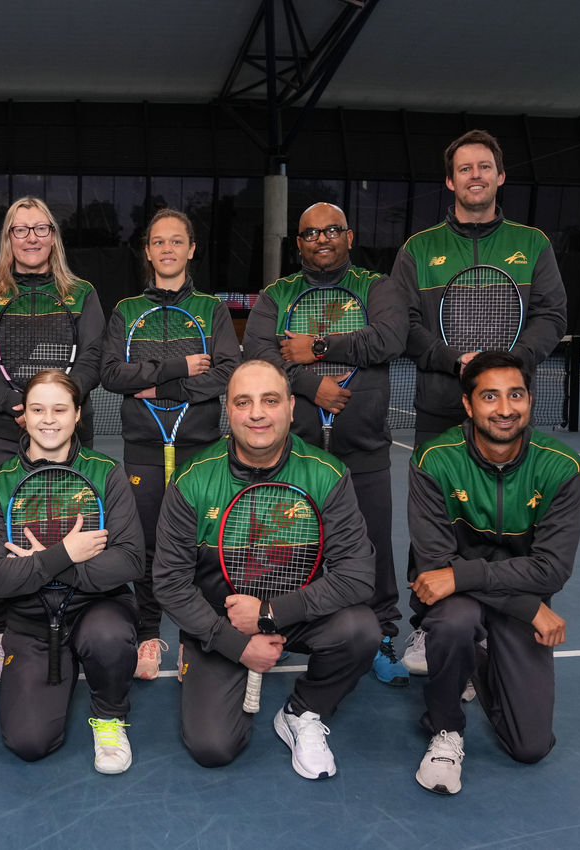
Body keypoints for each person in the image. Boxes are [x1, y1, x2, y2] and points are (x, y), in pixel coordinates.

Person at [394, 129, 568, 675]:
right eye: (464, 169)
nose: (475, 176)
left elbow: (552, 316)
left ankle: (505, 622)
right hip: (439, 406)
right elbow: (405, 327)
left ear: (499, 176)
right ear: (450, 181)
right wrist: (453, 362)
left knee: (509, 516)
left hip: (504, 412)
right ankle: (430, 627)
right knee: (435, 524)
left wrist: (505, 371)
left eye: (484, 167)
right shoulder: (418, 250)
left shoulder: (533, 244)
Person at [152, 359, 380, 778]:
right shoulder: (191, 479)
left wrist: (271, 615)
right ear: (228, 409)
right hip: (223, 624)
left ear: (292, 407)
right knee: (213, 747)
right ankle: (203, 654)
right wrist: (236, 644)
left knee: (361, 630)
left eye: (270, 400)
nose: (257, 412)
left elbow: (358, 573)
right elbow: (169, 584)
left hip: (295, 613)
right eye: (244, 402)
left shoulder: (328, 475)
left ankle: (303, 709)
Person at [242, 202, 410, 686]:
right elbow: (258, 353)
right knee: (288, 551)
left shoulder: (377, 287)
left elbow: (389, 338)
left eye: (332, 230)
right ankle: (284, 630)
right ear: (298, 243)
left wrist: (317, 347)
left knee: (372, 551)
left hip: (364, 451)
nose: (322, 239)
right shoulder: (277, 295)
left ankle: (380, 636)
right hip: (293, 457)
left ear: (349, 236)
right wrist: (309, 385)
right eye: (311, 233)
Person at [407, 350, 580, 795]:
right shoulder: (434, 460)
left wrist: (467, 578)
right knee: (453, 620)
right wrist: (530, 606)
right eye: (490, 396)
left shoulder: (561, 466)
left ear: (529, 399)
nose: (505, 409)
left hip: (499, 591)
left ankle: (476, 659)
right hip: (466, 601)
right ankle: (445, 727)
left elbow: (552, 570)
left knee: (530, 746)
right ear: (468, 405)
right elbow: (434, 570)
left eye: (516, 395)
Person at [0, 370, 144, 774]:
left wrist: (40, 564)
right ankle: (59, 668)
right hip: (31, 619)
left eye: (59, 409)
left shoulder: (107, 472)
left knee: (109, 637)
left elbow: (131, 560)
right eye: (37, 409)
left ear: (77, 414)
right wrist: (67, 552)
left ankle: (109, 715)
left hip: (96, 607)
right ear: (24, 417)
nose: (48, 419)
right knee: (28, 743)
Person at [0, 197, 106, 679]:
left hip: (64, 429)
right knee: (2, 532)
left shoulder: (81, 292)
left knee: (66, 522)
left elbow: (91, 358)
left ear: (53, 236)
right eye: (20, 230)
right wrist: (16, 407)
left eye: (40, 228)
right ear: (8, 238)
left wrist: (53, 407)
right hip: (1, 433)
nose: (31, 238)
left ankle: (73, 616)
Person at [100, 208, 239, 680]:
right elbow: (112, 375)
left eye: (176, 241)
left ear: (191, 248)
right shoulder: (126, 311)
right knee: (148, 549)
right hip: (144, 447)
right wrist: (179, 368)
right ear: (148, 251)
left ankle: (198, 639)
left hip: (200, 449)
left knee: (202, 546)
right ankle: (148, 636)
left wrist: (160, 389)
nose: (167, 249)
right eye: (158, 242)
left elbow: (225, 373)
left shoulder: (212, 310)